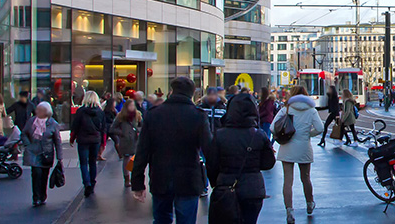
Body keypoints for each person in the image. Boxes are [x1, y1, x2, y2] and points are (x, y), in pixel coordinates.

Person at [131, 77, 213, 224]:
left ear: (171, 91)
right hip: (188, 178)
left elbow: (143, 150)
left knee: (161, 219)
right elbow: (209, 150)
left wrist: (137, 182)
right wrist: (217, 178)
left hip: (160, 177)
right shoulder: (198, 115)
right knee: (186, 220)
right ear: (192, 93)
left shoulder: (154, 114)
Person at [206, 92, 275, 224]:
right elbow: (268, 163)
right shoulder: (258, 135)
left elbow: (212, 164)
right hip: (252, 188)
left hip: (226, 185)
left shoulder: (220, 135)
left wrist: (217, 182)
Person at [274, 85, 325, 224]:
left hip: (287, 147)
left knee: (288, 181)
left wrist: (283, 135)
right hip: (304, 147)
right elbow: (320, 128)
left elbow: (273, 127)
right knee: (306, 178)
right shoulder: (311, 110)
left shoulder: (286, 109)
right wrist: (308, 134)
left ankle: (289, 210)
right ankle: (309, 203)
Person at [20, 101, 62, 207]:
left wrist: (59, 157)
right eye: (37, 109)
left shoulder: (53, 124)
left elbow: (57, 141)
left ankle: (43, 196)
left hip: (46, 154)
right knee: (36, 174)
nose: (37, 111)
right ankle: (36, 197)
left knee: (44, 175)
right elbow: (24, 133)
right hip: (33, 152)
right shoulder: (31, 121)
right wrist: (27, 144)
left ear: (46, 112)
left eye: (40, 110)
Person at [70, 91, 107, 197]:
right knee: (92, 162)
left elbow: (75, 126)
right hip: (95, 139)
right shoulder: (100, 112)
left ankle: (87, 183)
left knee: (83, 163)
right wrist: (103, 143)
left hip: (83, 140)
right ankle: (92, 181)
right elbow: (103, 128)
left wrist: (72, 139)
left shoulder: (80, 111)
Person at [109, 99, 143, 187]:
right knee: (127, 159)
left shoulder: (137, 115)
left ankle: (133, 177)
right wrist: (122, 133)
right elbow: (112, 129)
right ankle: (127, 178)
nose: (132, 108)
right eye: (130, 106)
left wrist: (138, 131)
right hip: (126, 141)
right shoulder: (121, 116)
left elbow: (142, 125)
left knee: (134, 160)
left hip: (135, 140)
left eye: (133, 106)